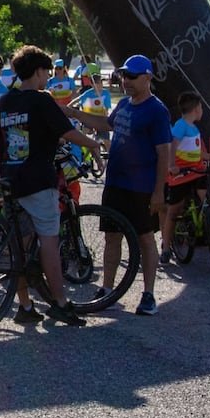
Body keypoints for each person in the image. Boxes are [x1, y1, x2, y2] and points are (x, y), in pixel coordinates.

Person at [0, 46, 104, 325]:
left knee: (19, 245)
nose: (47, 77)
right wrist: (93, 144)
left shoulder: (9, 100)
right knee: (49, 240)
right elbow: (67, 131)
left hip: (12, 176)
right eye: (46, 71)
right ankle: (59, 302)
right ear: (39, 71)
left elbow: (24, 133)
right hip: (38, 178)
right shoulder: (42, 100)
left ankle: (25, 305)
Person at [65, 54, 170, 316]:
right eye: (123, 75)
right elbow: (104, 124)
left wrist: (159, 191)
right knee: (112, 236)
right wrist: (71, 111)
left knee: (145, 238)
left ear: (148, 77)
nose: (126, 81)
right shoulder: (123, 104)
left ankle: (148, 294)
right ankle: (107, 288)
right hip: (116, 182)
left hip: (141, 186)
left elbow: (164, 153)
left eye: (132, 76)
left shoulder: (157, 110)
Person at [158, 91, 210, 264]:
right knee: (174, 210)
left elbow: (194, 151)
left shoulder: (194, 128)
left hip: (197, 170)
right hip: (181, 174)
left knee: (204, 198)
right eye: (201, 107)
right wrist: (172, 166)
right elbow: (173, 145)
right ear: (195, 109)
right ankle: (165, 248)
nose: (202, 110)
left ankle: (207, 224)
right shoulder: (180, 125)